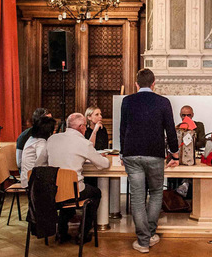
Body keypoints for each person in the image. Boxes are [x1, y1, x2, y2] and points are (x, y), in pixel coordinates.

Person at [120, 68, 179, 253]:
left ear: (136, 84)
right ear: (154, 84)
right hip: (155, 153)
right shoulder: (163, 102)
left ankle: (143, 241)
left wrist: (123, 153)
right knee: (155, 193)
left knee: (137, 199)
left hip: (131, 153)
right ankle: (151, 234)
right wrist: (175, 154)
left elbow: (123, 129)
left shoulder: (127, 101)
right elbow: (170, 130)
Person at [36, 113, 110, 244]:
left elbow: (39, 165)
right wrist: (105, 158)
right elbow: (103, 164)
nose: (86, 129)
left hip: (52, 191)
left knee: (64, 194)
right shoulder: (83, 143)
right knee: (96, 193)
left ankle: (61, 232)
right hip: (74, 191)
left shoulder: (52, 139)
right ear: (81, 127)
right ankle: (83, 232)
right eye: (85, 127)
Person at [20, 116, 55, 188]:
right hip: (33, 181)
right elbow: (42, 162)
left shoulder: (32, 139)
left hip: (27, 177)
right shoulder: (40, 143)